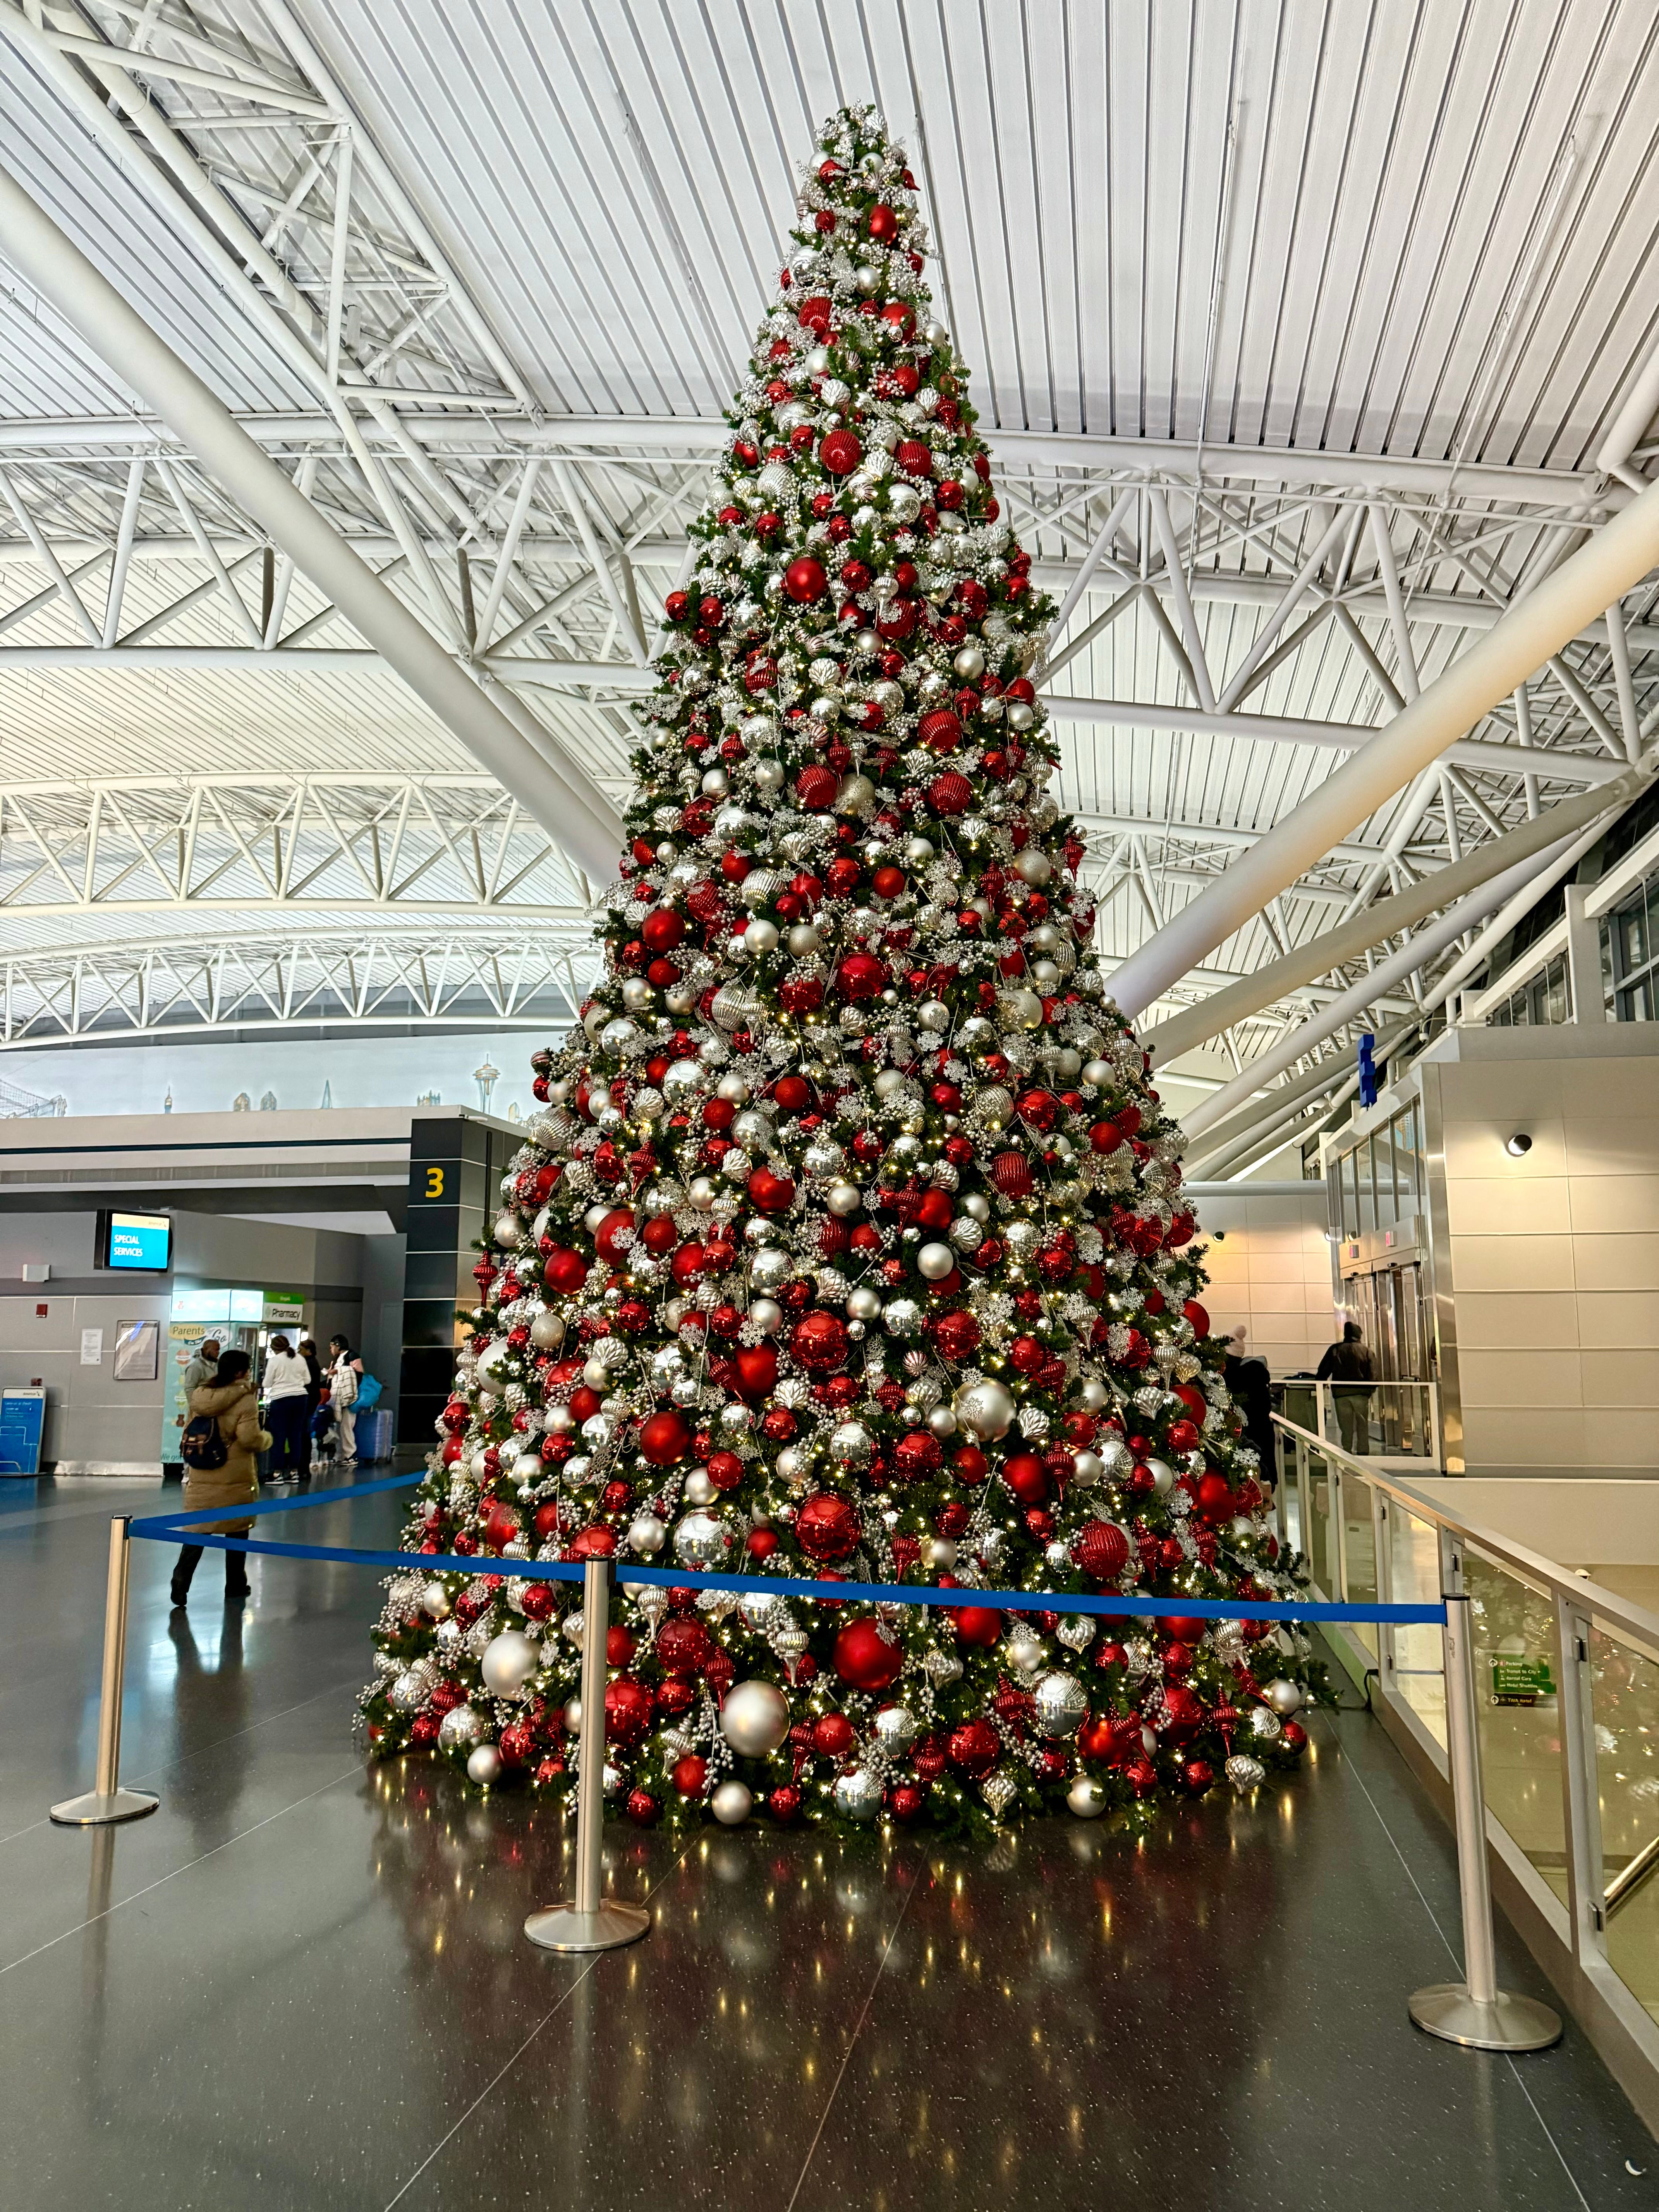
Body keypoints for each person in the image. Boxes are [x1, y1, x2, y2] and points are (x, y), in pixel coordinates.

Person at [171, 1347, 269, 1607]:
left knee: (198, 1530)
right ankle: (235, 1585)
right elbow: (249, 1439)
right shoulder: (245, 1399)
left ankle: (180, 1582)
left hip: (202, 1472)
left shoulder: (201, 1396)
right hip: (233, 1476)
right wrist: (267, 1439)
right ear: (240, 1373)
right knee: (237, 1530)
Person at [1223, 1326, 1278, 1487]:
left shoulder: (1236, 1378)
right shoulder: (1254, 1374)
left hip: (1252, 1438)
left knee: (1255, 1484)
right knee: (1264, 1483)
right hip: (1262, 1436)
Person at [1317, 1321, 1376, 1456]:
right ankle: (1363, 1451)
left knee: (1345, 1425)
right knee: (1362, 1424)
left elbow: (1324, 1370)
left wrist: (1320, 1384)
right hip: (1361, 1393)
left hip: (1341, 1394)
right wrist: (1370, 1390)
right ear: (1359, 1335)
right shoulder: (1366, 1351)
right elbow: (1373, 1374)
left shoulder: (1335, 1350)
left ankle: (1347, 1451)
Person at [262, 1333, 310, 1482]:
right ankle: (294, 1473)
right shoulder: (300, 1358)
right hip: (301, 1399)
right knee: (295, 1436)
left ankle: (277, 1474)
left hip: (281, 1400)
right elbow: (308, 1380)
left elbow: (266, 1383)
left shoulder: (275, 1361)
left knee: (279, 1436)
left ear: (274, 1349)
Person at [328, 1335, 363, 1466]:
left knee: (347, 1427)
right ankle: (340, 1455)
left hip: (349, 1397)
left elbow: (358, 1374)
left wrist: (339, 1372)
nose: (331, 1350)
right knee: (338, 1427)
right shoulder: (336, 1359)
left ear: (338, 1345)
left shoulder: (352, 1356)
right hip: (336, 1397)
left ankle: (350, 1454)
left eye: (332, 1346)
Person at [298, 1336, 323, 1422]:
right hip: (312, 1397)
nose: (299, 1352)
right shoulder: (313, 1362)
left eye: (301, 1350)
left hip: (309, 1398)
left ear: (309, 1351)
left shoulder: (309, 1364)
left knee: (305, 1422)